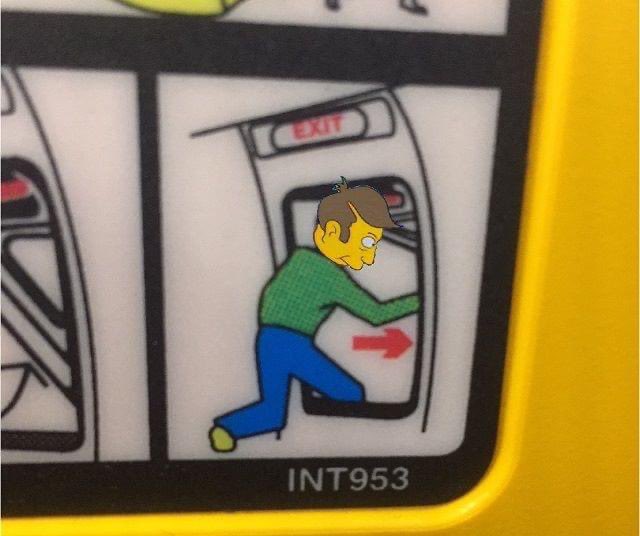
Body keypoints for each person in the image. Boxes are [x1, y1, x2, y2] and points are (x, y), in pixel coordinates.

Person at [209, 177, 420, 452]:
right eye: (366, 242)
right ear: (331, 233)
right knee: (350, 393)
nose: (369, 256)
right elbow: (376, 314)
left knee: (273, 412)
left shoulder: (300, 260)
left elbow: (271, 302)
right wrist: (420, 299)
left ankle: (225, 429)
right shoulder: (329, 276)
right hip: (290, 344)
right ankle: (342, 450)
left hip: (268, 341)